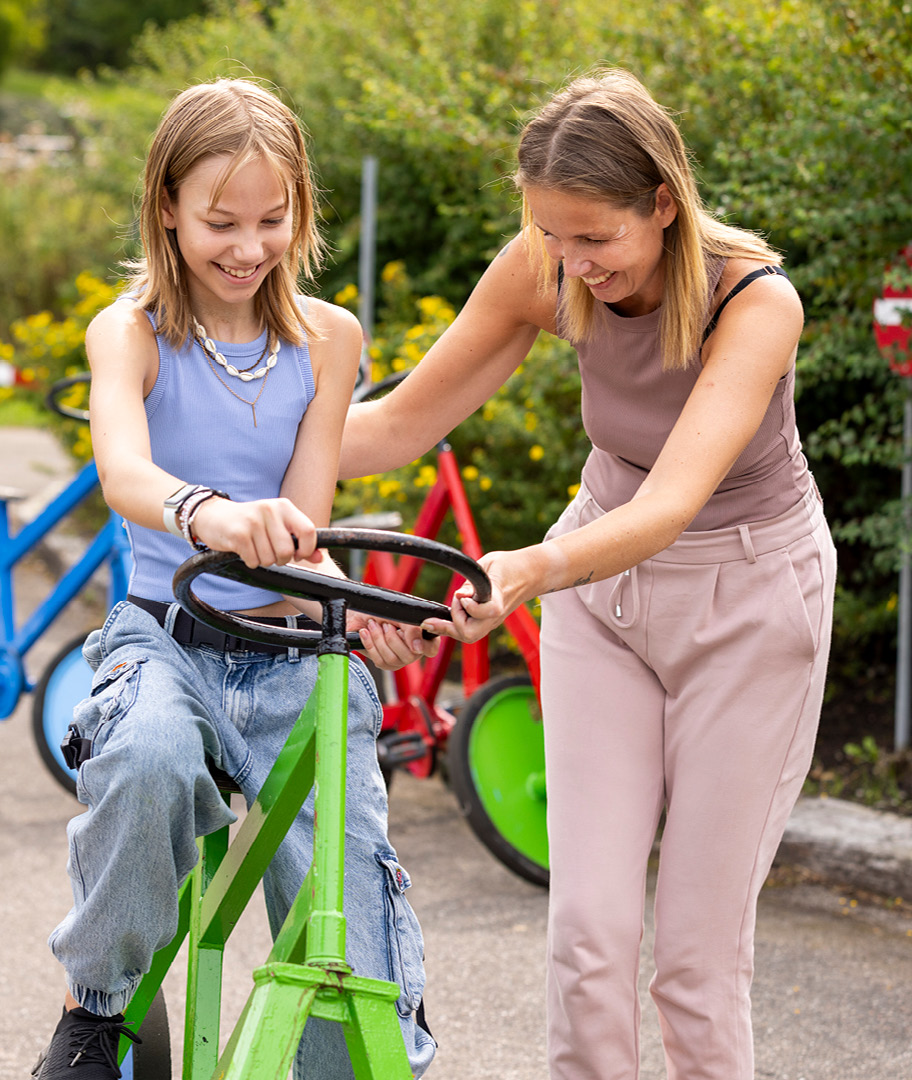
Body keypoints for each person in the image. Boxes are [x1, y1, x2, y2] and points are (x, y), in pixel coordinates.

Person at [340, 67, 836, 1080]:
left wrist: (527, 568)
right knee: (588, 940)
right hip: (602, 603)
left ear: (664, 202)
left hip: (748, 605)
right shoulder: (547, 263)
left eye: (594, 239)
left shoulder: (756, 301)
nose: (571, 264)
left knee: (695, 964)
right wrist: (219, 461)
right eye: (550, 235)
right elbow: (396, 424)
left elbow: (672, 503)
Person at [32, 79, 437, 1080]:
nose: (246, 247)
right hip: (164, 639)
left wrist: (355, 607)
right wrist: (210, 513)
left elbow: (303, 531)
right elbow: (123, 471)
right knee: (151, 757)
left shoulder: (327, 340)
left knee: (341, 901)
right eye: (220, 221)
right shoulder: (130, 333)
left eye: (272, 219)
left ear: (301, 210)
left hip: (289, 653)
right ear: (166, 204)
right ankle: (100, 1008)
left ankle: (350, 1050)